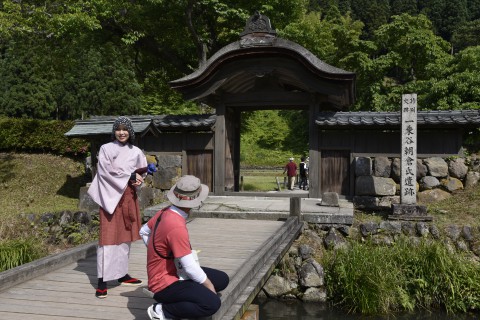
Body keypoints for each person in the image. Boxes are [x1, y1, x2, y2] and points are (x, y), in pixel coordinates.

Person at [140, 175, 229, 320]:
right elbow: (189, 266)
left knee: (222, 279)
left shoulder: (166, 211)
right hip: (164, 283)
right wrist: (209, 287)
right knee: (212, 303)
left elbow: (143, 231)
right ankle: (162, 310)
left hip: (174, 270)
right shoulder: (176, 226)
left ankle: (189, 293)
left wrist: (157, 251)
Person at [87, 116, 148, 299]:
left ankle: (122, 274)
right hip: (110, 197)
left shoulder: (136, 151)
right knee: (108, 239)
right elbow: (104, 172)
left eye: (125, 129)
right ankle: (102, 281)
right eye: (118, 129)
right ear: (114, 131)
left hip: (129, 196)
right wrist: (128, 176)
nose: (122, 132)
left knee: (125, 237)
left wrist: (138, 179)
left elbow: (141, 171)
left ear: (130, 132)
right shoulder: (106, 149)